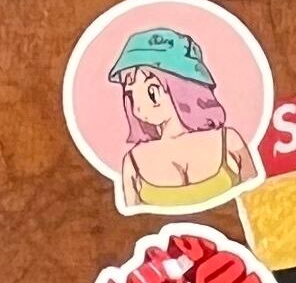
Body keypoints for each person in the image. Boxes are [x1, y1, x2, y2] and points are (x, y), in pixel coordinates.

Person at [108, 26, 257, 211]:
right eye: (130, 95)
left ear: (184, 88)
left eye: (152, 91)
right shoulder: (133, 162)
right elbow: (133, 220)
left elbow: (257, 201)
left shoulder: (229, 141)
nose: (138, 107)